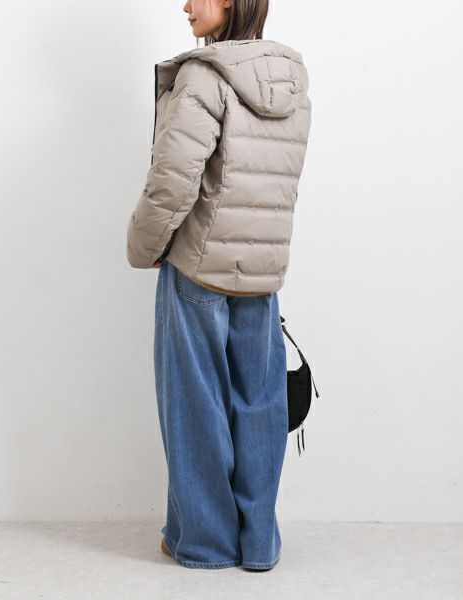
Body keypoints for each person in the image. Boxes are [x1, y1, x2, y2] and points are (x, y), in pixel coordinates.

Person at [126, 0, 311, 571]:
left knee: (196, 405)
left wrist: (144, 249)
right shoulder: (291, 80)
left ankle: (205, 543)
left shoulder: (206, 77)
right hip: (262, 271)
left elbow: (172, 181)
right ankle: (258, 544)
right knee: (259, 404)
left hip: (198, 268)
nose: (185, 5)